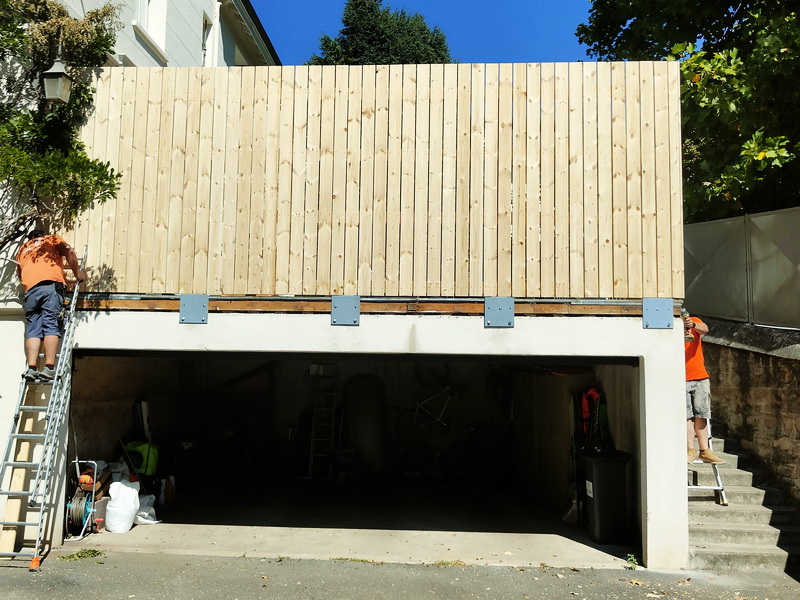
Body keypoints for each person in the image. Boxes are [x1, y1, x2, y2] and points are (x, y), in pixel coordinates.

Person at [16, 229, 84, 382]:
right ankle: (49, 367)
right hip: (50, 287)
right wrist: (78, 273)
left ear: (31, 238)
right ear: (42, 235)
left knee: (33, 329)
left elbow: (19, 274)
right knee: (51, 325)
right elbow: (69, 251)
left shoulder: (23, 248)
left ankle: (32, 368)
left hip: (31, 291)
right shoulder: (51, 239)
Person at [684, 312, 726, 464]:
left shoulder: (692, 321)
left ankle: (704, 450)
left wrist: (692, 325)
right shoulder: (671, 326)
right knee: (686, 415)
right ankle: (690, 449)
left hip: (699, 376)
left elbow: (705, 329)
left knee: (702, 413)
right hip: (681, 377)